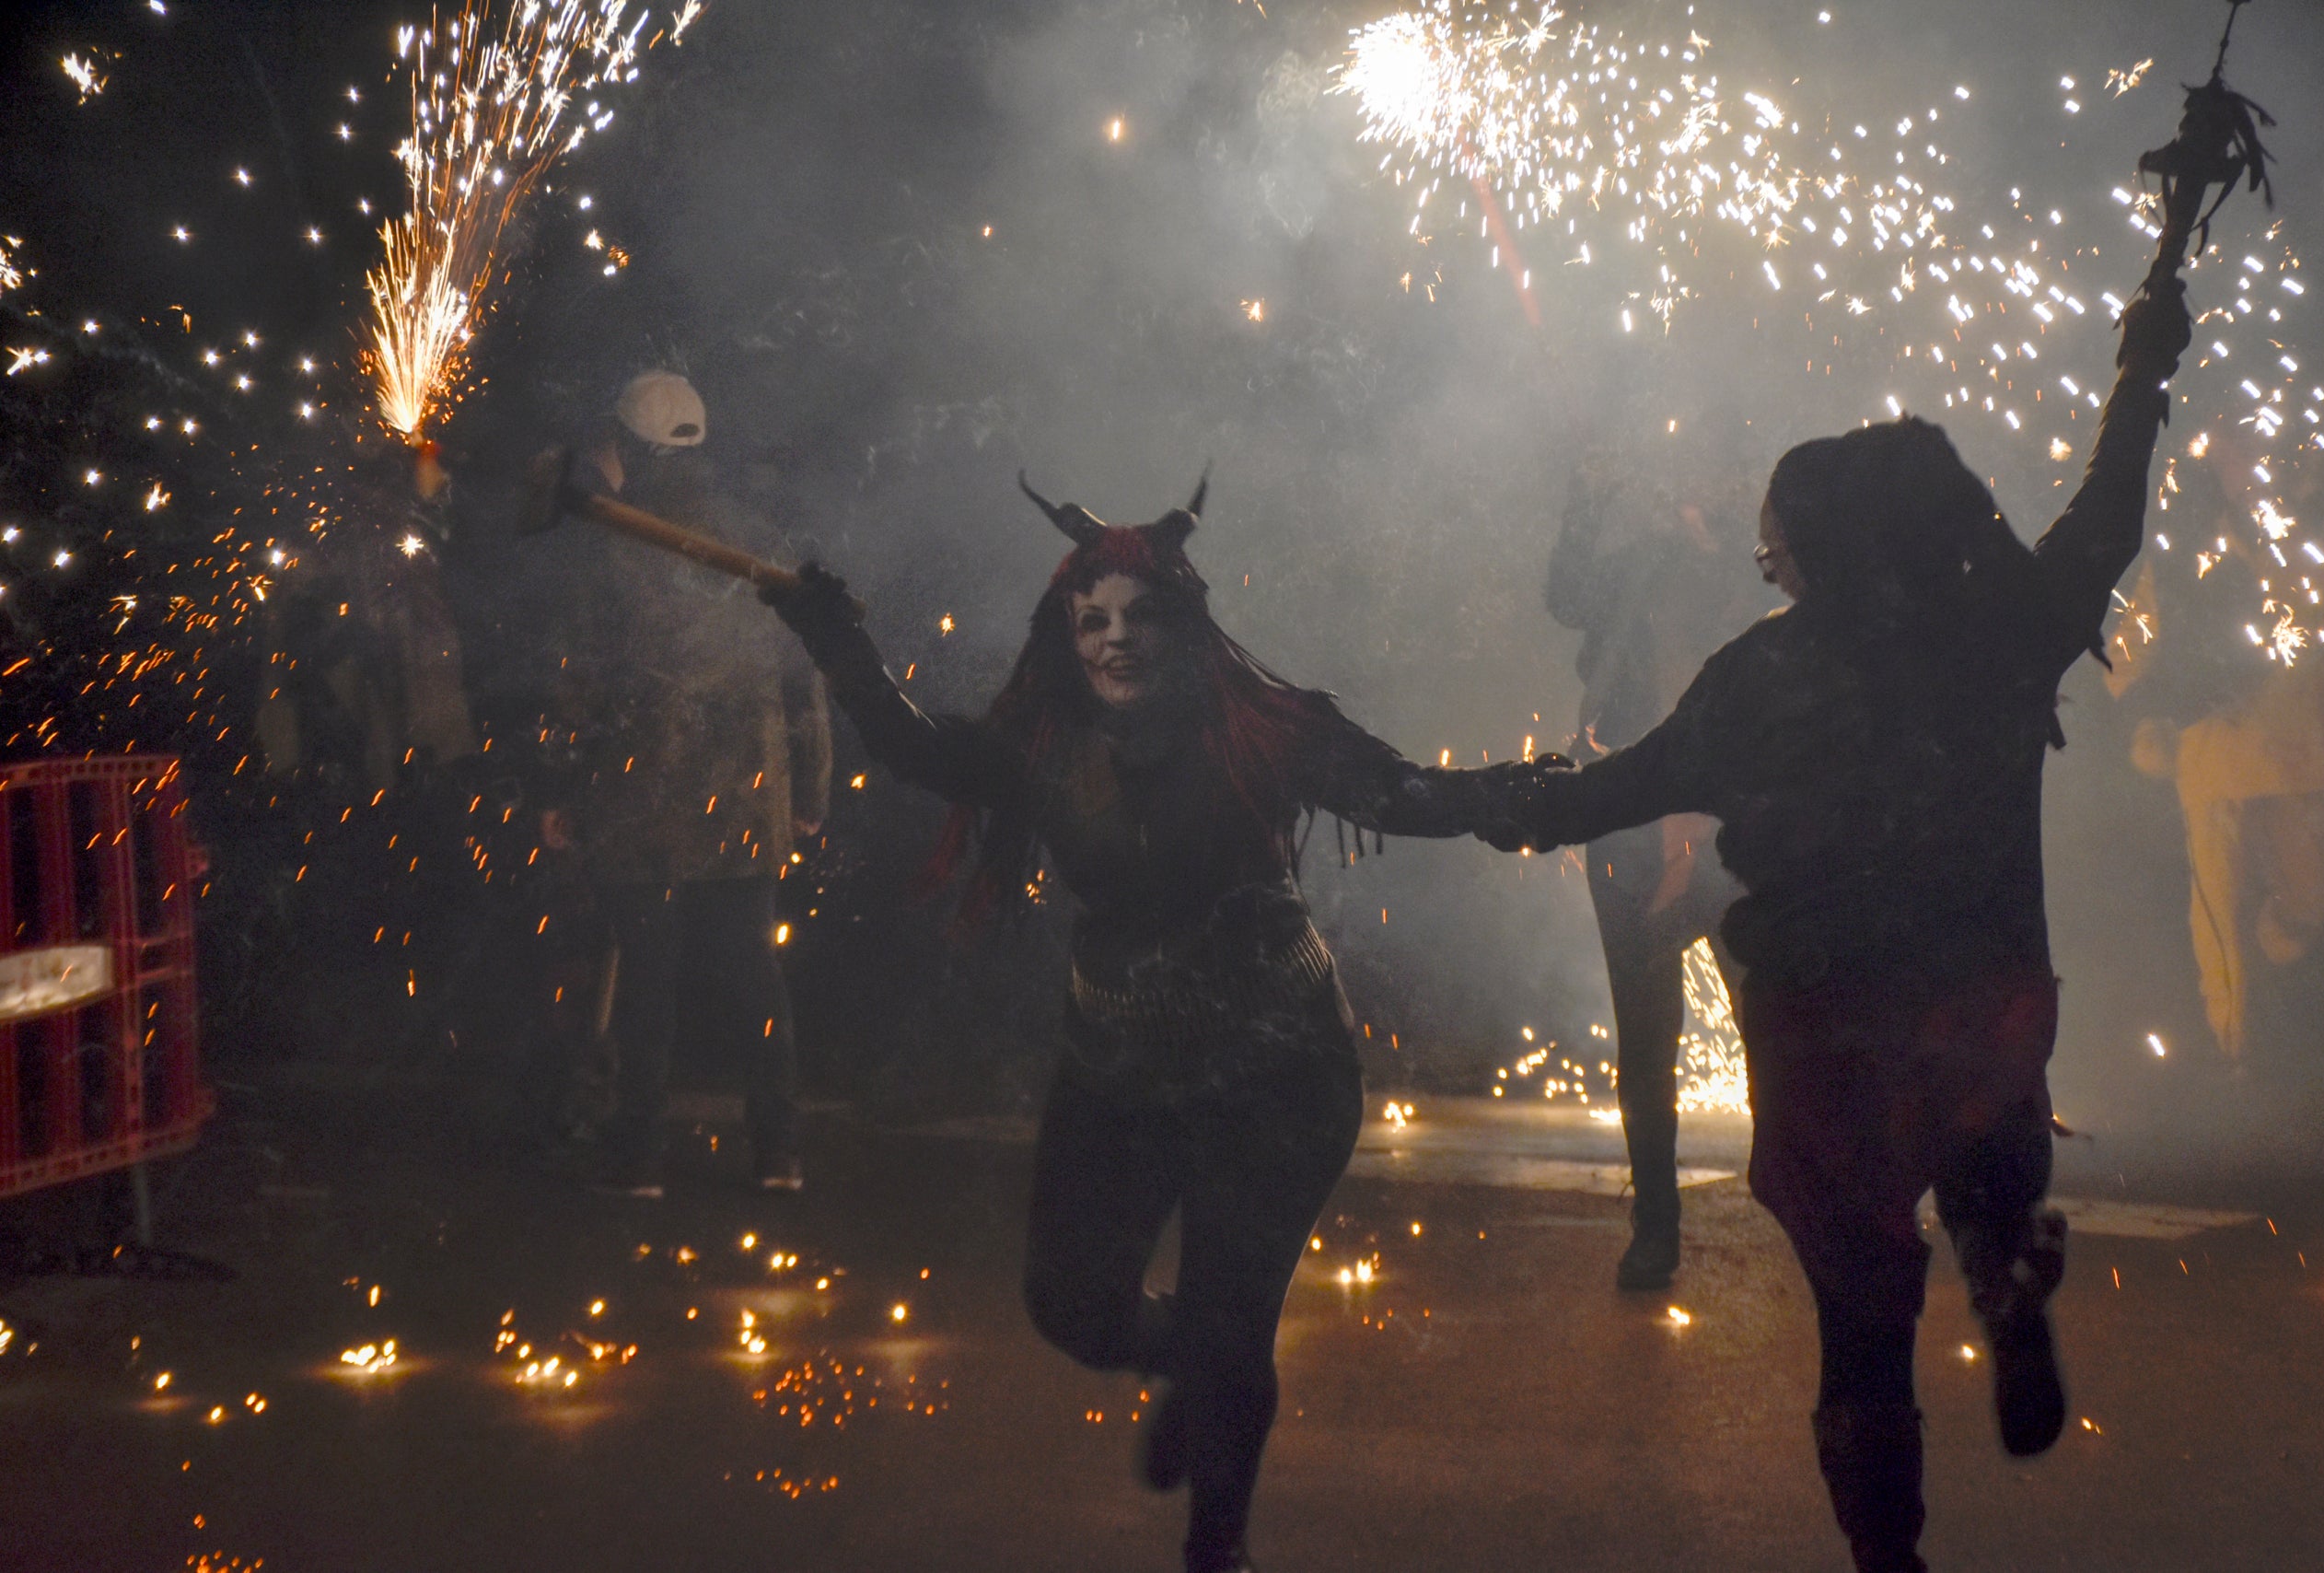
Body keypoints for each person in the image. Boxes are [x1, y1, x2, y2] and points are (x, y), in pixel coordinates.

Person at [1497, 282, 2193, 1570]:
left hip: (1829, 1052)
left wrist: (1427, 793)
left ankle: (1891, 1557)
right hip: (1979, 1014)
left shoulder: (1759, 675)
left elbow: (1605, 789)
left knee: (1862, 1339)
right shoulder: (2003, 633)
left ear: (1819, 549)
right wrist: (2142, 364)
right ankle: (2007, 1274)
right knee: (1992, 1171)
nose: (1762, 558)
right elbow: (2104, 518)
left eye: (1777, 540)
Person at [763, 472, 1516, 1573]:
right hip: (1119, 1065)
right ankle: (1183, 1358)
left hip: (1277, 1078)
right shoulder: (1041, 747)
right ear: (1065, 635)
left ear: (1184, 627)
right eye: (1090, 621)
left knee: (1233, 1326)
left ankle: (1218, 1547)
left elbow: (1406, 795)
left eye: (1137, 617)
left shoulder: (1263, 731)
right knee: (1069, 1303)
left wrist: (1541, 799)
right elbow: (919, 748)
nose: (1112, 641)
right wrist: (835, 640)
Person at [538, 370, 832, 1196]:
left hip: (641, 803)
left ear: (629, 447)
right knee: (757, 981)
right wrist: (809, 791)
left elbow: (581, 683)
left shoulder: (610, 551)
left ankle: (639, 1161)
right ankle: (780, 1153)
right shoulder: (758, 540)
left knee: (647, 983)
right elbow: (801, 677)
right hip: (744, 800)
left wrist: (559, 788)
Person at [1545, 437, 1779, 1288]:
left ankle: (1808, 1188)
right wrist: (1586, 496)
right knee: (1646, 1035)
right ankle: (1655, 1226)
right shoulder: (1636, 566)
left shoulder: (1756, 582)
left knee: (1772, 1016)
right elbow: (1566, 595)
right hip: (1626, 821)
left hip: (1732, 828)